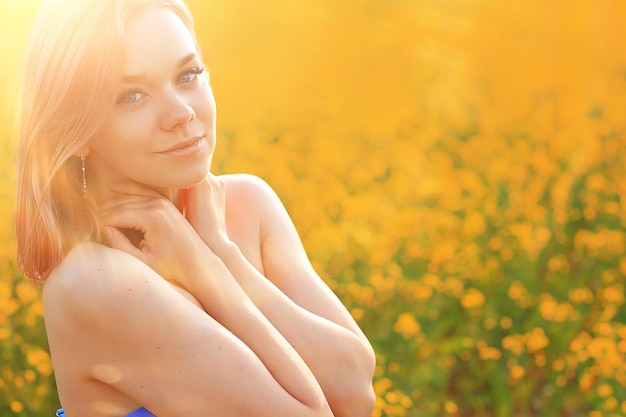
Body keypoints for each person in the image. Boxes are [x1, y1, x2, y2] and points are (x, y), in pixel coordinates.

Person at [15, 0, 377, 416]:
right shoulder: (96, 281)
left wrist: (218, 253)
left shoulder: (246, 204)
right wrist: (204, 270)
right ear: (77, 130)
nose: (182, 113)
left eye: (188, 75)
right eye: (132, 96)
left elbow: (354, 390)